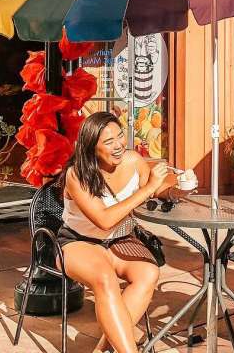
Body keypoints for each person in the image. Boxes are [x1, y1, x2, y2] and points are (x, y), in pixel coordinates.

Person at [58, 111, 173, 353]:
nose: (119, 145)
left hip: (121, 241)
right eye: (109, 142)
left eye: (120, 136)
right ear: (91, 147)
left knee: (148, 273)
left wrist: (178, 187)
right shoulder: (76, 174)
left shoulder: (133, 161)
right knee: (105, 279)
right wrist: (149, 187)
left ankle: (104, 349)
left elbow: (157, 189)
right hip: (79, 242)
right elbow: (104, 220)